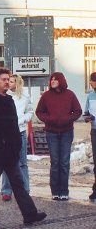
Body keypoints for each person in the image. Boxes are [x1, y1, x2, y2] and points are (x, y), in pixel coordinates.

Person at [0, 67, 46, 225]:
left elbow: (14, 126)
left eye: (8, 79)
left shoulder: (9, 100)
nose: (7, 82)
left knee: (18, 183)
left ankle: (30, 214)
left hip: (10, 153)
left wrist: (15, 145)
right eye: (3, 79)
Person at [36, 72, 82, 201]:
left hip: (67, 132)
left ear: (61, 80)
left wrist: (68, 119)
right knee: (55, 162)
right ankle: (55, 191)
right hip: (52, 133)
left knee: (64, 162)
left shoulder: (70, 95)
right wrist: (49, 119)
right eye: (51, 79)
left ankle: (64, 191)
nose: (53, 81)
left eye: (55, 79)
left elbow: (78, 111)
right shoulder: (46, 96)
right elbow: (39, 112)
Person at [1, 74, 33, 201]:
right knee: (6, 161)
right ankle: (6, 190)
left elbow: (30, 111)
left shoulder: (25, 96)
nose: (9, 83)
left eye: (12, 81)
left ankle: (25, 189)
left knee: (22, 163)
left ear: (18, 83)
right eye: (8, 81)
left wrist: (23, 120)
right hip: (7, 132)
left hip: (20, 131)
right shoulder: (5, 96)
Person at [84, 71, 96, 202]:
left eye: (92, 81)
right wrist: (88, 118)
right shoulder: (90, 96)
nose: (91, 83)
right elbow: (86, 112)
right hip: (95, 131)